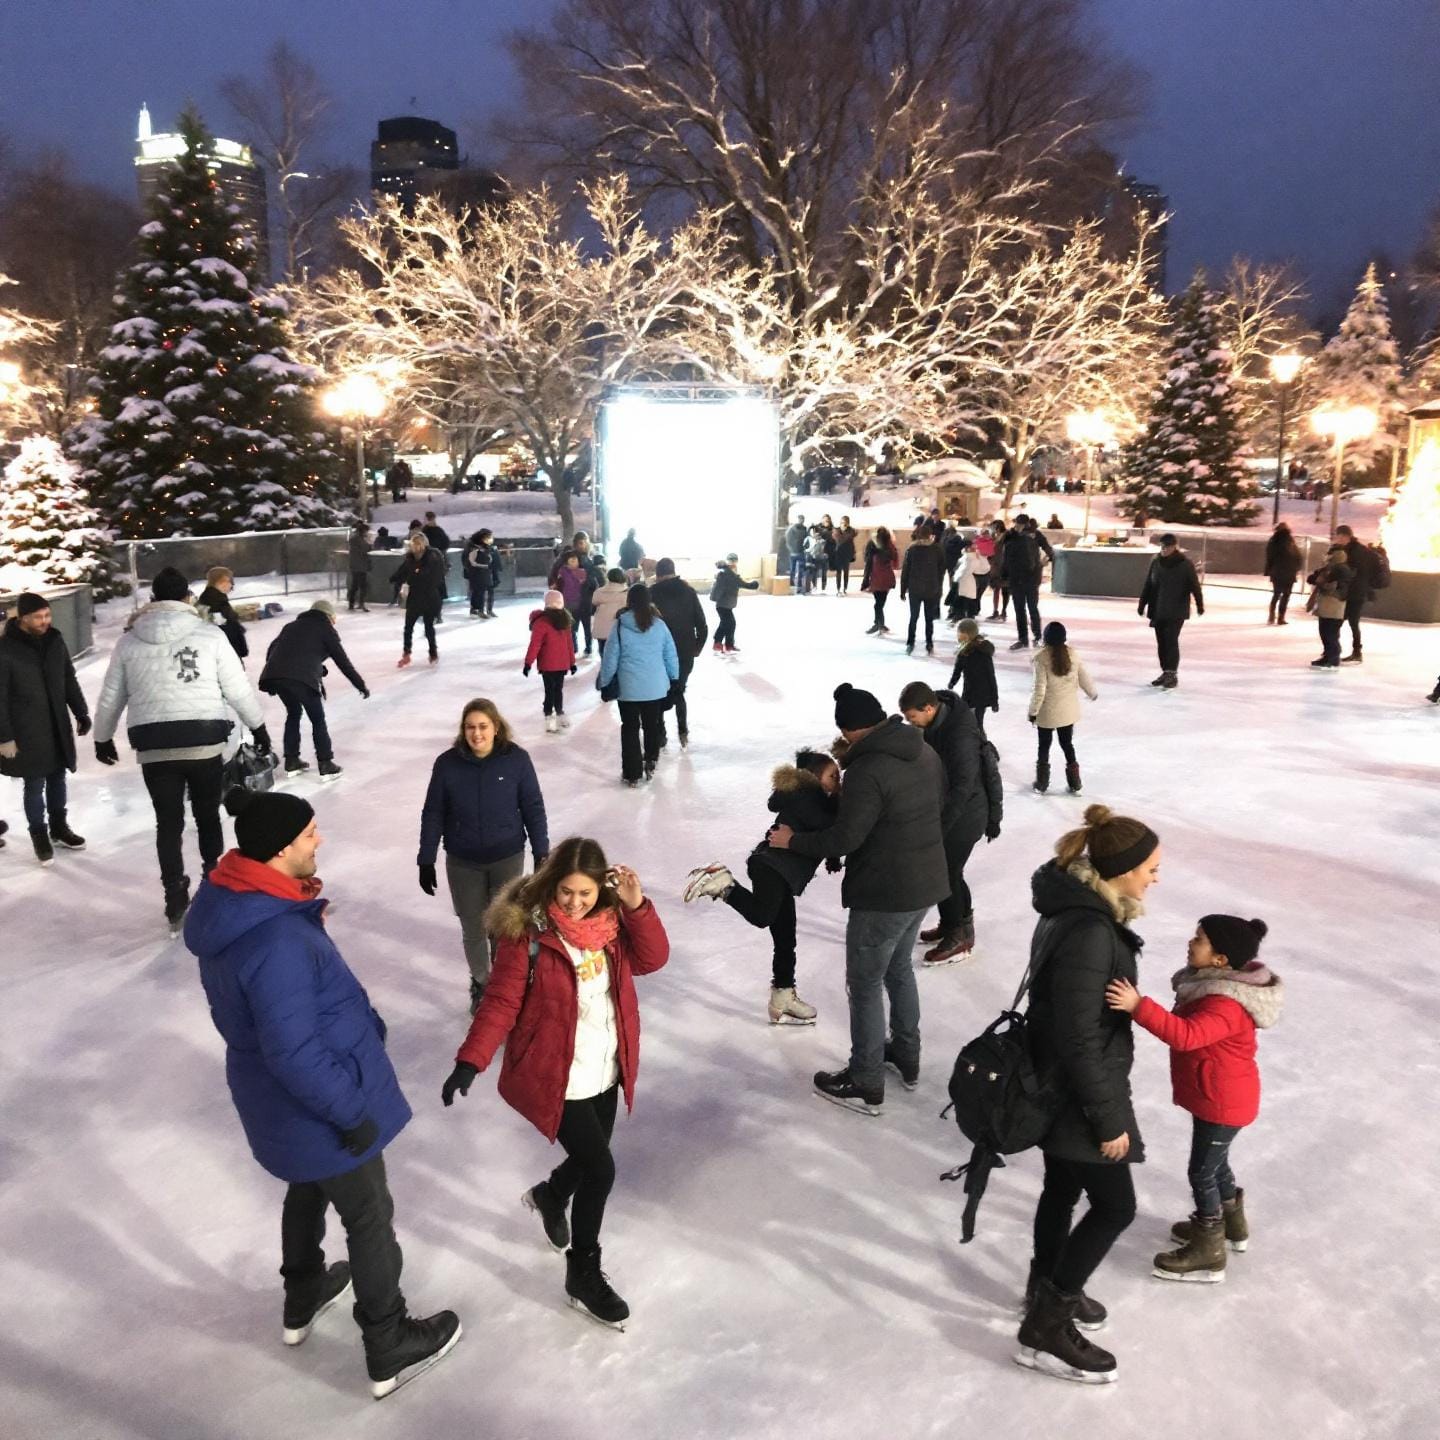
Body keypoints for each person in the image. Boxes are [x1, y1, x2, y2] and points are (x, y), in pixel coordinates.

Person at [185, 788, 460, 1398]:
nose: (320, 840)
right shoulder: (274, 939)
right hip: (318, 1098)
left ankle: (303, 1293)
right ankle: (388, 1341)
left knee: (306, 1186)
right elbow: (293, 1051)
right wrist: (350, 1111)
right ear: (281, 849)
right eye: (310, 834)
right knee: (368, 1215)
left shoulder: (241, 904)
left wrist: (301, 921)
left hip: (276, 1100)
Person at [442, 838, 669, 1329]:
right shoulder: (529, 933)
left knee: (592, 1159)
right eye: (566, 891)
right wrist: (471, 1060)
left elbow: (653, 960)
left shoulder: (611, 927)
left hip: (606, 1062)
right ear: (552, 884)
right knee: (601, 1169)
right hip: (556, 1071)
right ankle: (582, 1274)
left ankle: (550, 1194)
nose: (574, 903)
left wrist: (637, 907)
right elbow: (501, 1001)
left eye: (585, 893)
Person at [1016, 805, 1161, 1385]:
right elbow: (1078, 1035)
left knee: (1061, 1188)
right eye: (1151, 867)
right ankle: (1046, 1326)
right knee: (1115, 1206)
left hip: (1060, 1082)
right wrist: (1106, 1118)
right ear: (1122, 869)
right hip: (1078, 1089)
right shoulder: (1092, 931)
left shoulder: (1075, 911)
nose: (1155, 876)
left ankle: (1043, 1290)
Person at [768, 683, 947, 1115]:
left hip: (885, 892)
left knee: (865, 983)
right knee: (899, 968)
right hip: (926, 882)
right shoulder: (923, 750)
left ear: (849, 731)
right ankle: (906, 1054)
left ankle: (866, 1078)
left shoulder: (867, 771)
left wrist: (792, 841)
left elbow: (846, 837)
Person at [1106, 914, 1283, 1284]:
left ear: (1220, 959)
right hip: (1217, 1095)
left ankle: (1209, 1247)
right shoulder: (1212, 986)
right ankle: (1233, 1227)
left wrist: (1138, 1006)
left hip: (1224, 1102)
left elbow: (1186, 1036)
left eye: (1199, 939)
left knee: (1201, 1171)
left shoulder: (1225, 1003)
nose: (1191, 942)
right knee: (1216, 1166)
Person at [92, 566, 270, 929]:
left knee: (168, 822)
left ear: (154, 599)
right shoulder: (210, 634)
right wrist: (258, 725)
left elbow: (112, 694)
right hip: (203, 739)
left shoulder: (129, 641)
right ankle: (214, 883)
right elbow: (236, 687)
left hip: (154, 744)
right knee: (207, 814)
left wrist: (102, 736)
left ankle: (174, 895)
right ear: (188, 598)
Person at [682, 749, 840, 1025]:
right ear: (814, 779)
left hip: (779, 871)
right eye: (833, 776)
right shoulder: (809, 799)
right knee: (761, 916)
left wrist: (833, 856)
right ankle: (724, 884)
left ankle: (783, 995)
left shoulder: (809, 800)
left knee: (785, 938)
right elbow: (830, 829)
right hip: (772, 869)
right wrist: (845, 807)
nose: (838, 781)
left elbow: (821, 832)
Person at [418, 698, 549, 1013]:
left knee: (505, 928)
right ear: (463, 730)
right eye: (470, 727)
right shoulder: (447, 764)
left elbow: (533, 806)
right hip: (463, 861)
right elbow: (433, 812)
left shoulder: (516, 760)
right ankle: (482, 983)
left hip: (507, 856)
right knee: (474, 928)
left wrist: (541, 851)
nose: (476, 734)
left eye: (483, 727)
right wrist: (426, 857)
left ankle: (508, 984)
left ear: (496, 727)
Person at [899, 681, 994, 966]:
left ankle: (960, 936)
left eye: (912, 718)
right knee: (949, 871)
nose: (911, 723)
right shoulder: (938, 723)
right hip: (954, 809)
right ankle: (954, 924)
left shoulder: (959, 735)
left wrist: (941, 828)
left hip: (967, 813)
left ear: (928, 708)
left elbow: (963, 787)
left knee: (946, 872)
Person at [0, 593, 91, 864]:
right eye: (38, 617)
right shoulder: (5, 650)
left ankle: (59, 828)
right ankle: (38, 834)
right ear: (23, 618)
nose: (44, 621)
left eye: (47, 615)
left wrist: (81, 711)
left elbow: (67, 677)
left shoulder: (55, 640)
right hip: (26, 729)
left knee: (58, 777)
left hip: (55, 724)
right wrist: (5, 737)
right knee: (34, 783)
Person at [259, 599, 369, 778]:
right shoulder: (325, 629)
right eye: (333, 618)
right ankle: (326, 763)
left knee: (293, 713)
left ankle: (292, 760)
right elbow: (343, 661)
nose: (334, 622)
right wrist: (360, 684)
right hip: (301, 679)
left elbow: (275, 649)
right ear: (328, 616)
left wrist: (276, 676)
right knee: (317, 719)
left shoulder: (291, 626)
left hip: (276, 676)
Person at [597, 584, 679, 786]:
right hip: (655, 688)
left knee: (630, 728)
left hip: (629, 688)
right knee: (652, 725)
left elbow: (610, 658)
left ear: (629, 601)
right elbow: (670, 654)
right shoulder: (659, 625)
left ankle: (632, 773)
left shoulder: (620, 626)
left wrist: (605, 683)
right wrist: (674, 678)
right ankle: (651, 759)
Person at [1029, 621, 1097, 796]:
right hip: (1067, 711)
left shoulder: (1040, 658)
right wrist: (1092, 692)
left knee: (1044, 746)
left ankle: (1042, 783)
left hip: (1047, 713)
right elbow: (1083, 676)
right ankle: (1075, 783)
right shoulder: (1072, 654)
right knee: (1067, 744)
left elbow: (1039, 688)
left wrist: (1033, 711)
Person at [649, 558, 707, 748]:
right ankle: (682, 731)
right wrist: (696, 647)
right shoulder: (688, 591)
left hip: (659, 651)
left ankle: (661, 733)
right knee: (679, 690)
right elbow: (702, 625)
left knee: (658, 692)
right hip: (684, 651)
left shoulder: (652, 593)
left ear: (658, 574)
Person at [1138, 533, 1204, 689]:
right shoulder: (1156, 562)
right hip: (1158, 609)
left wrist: (1200, 604)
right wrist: (1142, 604)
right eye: (1162, 546)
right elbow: (1149, 584)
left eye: (1166, 546)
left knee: (1171, 641)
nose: (1164, 549)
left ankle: (1172, 673)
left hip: (1176, 610)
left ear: (1174, 546)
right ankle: (1165, 672)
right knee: (1161, 643)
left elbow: (1194, 586)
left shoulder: (1184, 564)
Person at [524, 590, 578, 734]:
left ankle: (554, 714)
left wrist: (528, 663)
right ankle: (553, 714)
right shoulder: (549, 622)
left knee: (552, 690)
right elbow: (537, 644)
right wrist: (572, 662)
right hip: (555, 664)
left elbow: (568, 643)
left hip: (555, 664)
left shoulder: (556, 621)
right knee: (555, 690)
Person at [391, 533, 446, 667]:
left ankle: (433, 652)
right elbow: (403, 571)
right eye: (413, 544)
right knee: (408, 627)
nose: (416, 547)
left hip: (429, 597)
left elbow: (433, 575)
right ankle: (406, 653)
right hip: (415, 597)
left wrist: (415, 575)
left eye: (418, 544)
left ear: (424, 544)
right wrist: (395, 578)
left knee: (428, 627)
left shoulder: (433, 556)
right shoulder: (410, 559)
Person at [1305, 544, 1353, 669]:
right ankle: (1328, 656)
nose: (1327, 556)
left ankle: (1333, 658)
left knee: (1330, 633)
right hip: (1327, 605)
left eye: (1330, 554)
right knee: (1325, 632)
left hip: (1334, 605)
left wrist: (1322, 578)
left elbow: (1327, 582)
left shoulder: (1340, 569)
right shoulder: (1330, 568)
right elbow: (1312, 578)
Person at [949, 618, 999, 735]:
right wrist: (952, 682)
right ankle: (975, 742)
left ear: (966, 635)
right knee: (970, 720)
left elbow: (991, 677)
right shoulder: (963, 652)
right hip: (970, 693)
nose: (958, 635)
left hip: (979, 695)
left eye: (959, 632)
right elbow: (958, 670)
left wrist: (994, 700)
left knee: (976, 722)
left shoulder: (983, 653)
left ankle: (981, 745)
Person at [900, 526, 946, 655]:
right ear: (930, 535)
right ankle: (929, 643)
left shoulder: (912, 549)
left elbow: (906, 571)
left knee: (913, 617)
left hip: (915, 588)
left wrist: (903, 589)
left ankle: (910, 642)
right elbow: (941, 571)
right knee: (929, 618)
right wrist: (939, 588)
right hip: (932, 588)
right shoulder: (937, 549)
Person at [1001, 515, 1044, 649]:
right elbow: (1006, 561)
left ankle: (1037, 636)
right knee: (1020, 610)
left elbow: (1034, 562)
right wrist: (1004, 576)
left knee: (1032, 608)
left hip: (1029, 581)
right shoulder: (1010, 540)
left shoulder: (1031, 540)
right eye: (1016, 524)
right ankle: (1023, 638)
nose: (1017, 527)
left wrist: (1038, 571)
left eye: (1020, 524)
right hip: (1017, 580)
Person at [1333, 524, 1374, 663]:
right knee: (1346, 622)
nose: (1337, 539)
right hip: (1356, 592)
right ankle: (1345, 650)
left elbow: (1351, 572)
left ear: (1346, 536)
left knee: (1346, 622)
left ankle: (1349, 651)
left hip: (1355, 593)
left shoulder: (1354, 551)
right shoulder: (1357, 549)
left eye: (1339, 536)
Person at [709, 553, 759, 654]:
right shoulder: (728, 574)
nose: (734, 565)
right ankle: (721, 644)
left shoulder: (726, 573)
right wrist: (754, 584)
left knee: (727, 623)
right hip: (723, 605)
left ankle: (725, 644)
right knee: (729, 623)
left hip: (725, 604)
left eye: (735, 562)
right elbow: (742, 584)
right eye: (732, 563)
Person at [196, 566, 249, 659]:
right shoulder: (215, 602)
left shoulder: (213, 599)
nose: (231, 585)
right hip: (225, 655)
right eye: (230, 581)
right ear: (222, 581)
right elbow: (224, 630)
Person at [860, 526, 898, 635]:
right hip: (887, 577)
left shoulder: (872, 545)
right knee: (880, 603)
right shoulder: (889, 546)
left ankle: (878, 624)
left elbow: (868, 563)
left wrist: (865, 580)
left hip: (876, 577)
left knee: (878, 603)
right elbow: (894, 557)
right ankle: (880, 623)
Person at [1263, 522, 1301, 625]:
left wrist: (1269, 570)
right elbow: (1297, 555)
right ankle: (1281, 617)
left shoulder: (1273, 540)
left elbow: (1270, 556)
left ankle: (1271, 615)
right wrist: (1297, 568)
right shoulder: (1290, 540)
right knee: (1286, 595)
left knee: (1276, 593)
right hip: (1290, 571)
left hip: (1277, 571)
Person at [590, 568, 630, 657]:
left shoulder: (599, 591)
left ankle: (604, 668)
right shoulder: (627, 593)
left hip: (602, 627)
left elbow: (594, 602)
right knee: (617, 654)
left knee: (603, 651)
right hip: (618, 628)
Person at [464, 529, 501, 618]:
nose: (490, 539)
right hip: (478, 574)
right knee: (479, 592)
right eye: (488, 537)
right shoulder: (474, 548)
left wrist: (496, 571)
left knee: (490, 591)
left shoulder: (490, 548)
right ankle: (478, 610)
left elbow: (494, 560)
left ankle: (489, 609)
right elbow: (469, 562)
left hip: (489, 573)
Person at [421, 511, 451, 611]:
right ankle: (435, 613)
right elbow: (446, 544)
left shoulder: (426, 531)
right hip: (434, 562)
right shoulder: (435, 531)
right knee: (435, 588)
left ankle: (436, 613)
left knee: (435, 588)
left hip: (433, 563)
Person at [346, 523, 373, 613]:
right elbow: (364, 549)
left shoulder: (355, 539)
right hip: (360, 565)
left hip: (356, 565)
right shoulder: (358, 539)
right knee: (362, 586)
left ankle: (352, 603)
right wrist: (369, 544)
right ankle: (360, 603)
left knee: (355, 585)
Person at [987, 520, 1010, 621]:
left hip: (1004, 566)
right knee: (996, 589)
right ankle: (995, 611)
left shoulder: (1006, 536)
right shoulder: (994, 537)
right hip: (995, 566)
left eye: (992, 527)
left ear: (997, 527)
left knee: (1005, 590)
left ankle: (1003, 611)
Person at [783, 514, 808, 593]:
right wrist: (791, 549)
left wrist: (805, 548)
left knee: (800, 569)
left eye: (802, 519)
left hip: (801, 552)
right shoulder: (792, 529)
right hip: (794, 552)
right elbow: (788, 540)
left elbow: (807, 540)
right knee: (792, 569)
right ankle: (792, 584)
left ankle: (799, 586)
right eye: (800, 519)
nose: (801, 520)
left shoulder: (804, 529)